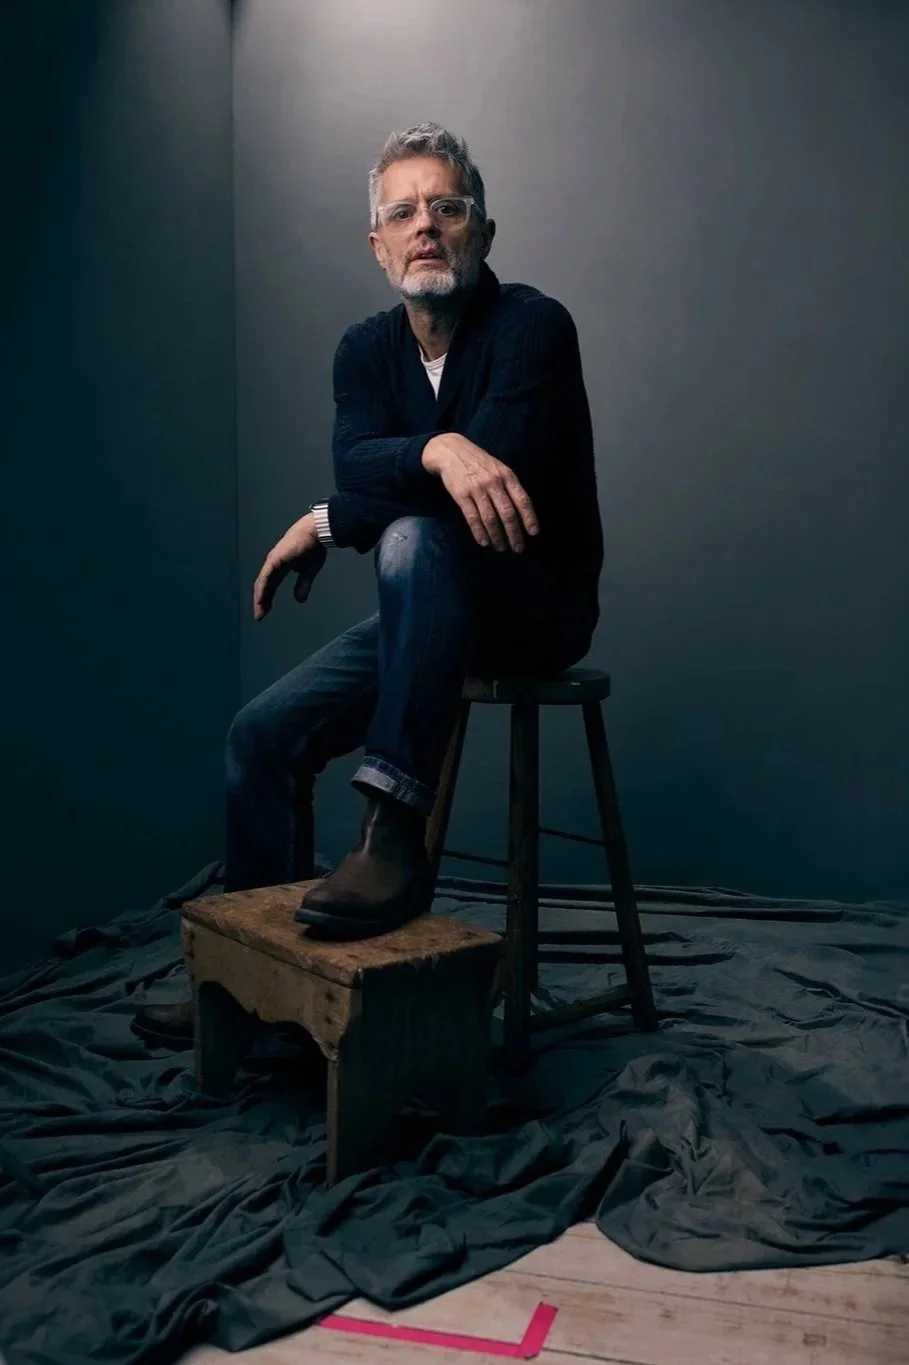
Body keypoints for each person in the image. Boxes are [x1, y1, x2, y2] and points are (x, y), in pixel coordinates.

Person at [132, 122, 604, 1050]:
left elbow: (472, 485)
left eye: (447, 207)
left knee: (412, 536)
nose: (425, 225)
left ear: (484, 231)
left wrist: (324, 522)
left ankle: (391, 830)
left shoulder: (533, 328)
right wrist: (431, 445)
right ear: (378, 243)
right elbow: (356, 465)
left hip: (528, 607)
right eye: (403, 211)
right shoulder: (363, 350)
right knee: (260, 733)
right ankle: (244, 979)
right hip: (424, 606)